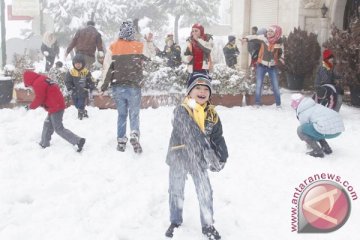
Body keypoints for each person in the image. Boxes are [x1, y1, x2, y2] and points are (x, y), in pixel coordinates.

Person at [165, 73, 228, 240]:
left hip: (199, 159)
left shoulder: (212, 115)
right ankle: (175, 221)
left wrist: (222, 157)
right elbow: (189, 132)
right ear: (189, 92)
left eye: (206, 89)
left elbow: (217, 137)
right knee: (176, 190)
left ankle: (208, 225)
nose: (202, 91)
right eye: (197, 88)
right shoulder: (181, 109)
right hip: (179, 156)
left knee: (205, 192)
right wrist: (207, 149)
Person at [100, 20, 147, 154]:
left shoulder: (114, 46)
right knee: (134, 113)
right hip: (133, 86)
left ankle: (121, 141)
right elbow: (149, 60)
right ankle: (134, 134)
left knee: (121, 114)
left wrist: (103, 87)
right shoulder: (138, 46)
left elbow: (109, 68)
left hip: (118, 86)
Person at [23, 71, 86, 152]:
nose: (31, 87)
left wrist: (30, 106)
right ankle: (44, 143)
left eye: (29, 85)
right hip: (55, 105)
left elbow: (39, 98)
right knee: (47, 124)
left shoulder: (38, 83)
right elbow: (47, 94)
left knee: (59, 129)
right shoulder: (43, 78)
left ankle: (78, 141)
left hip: (56, 107)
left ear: (28, 80)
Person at [291, 93, 345, 158]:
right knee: (317, 126)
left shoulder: (303, 112)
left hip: (329, 130)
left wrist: (309, 144)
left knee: (300, 130)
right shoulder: (314, 105)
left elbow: (305, 131)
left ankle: (317, 151)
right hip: (338, 129)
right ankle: (326, 147)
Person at [243, 25, 283, 107]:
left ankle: (278, 104)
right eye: (268, 31)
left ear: (276, 33)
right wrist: (246, 39)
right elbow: (254, 37)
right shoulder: (263, 39)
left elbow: (281, 54)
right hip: (261, 65)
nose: (269, 33)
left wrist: (278, 60)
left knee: (275, 85)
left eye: (271, 31)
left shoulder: (278, 43)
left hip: (272, 67)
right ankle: (257, 103)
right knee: (259, 84)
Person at [65, 54, 95, 120]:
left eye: (79, 64)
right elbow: (67, 81)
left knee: (81, 103)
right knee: (76, 104)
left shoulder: (86, 72)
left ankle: (80, 113)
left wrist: (91, 86)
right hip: (74, 91)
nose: (78, 65)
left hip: (83, 91)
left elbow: (90, 80)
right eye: (76, 64)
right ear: (73, 64)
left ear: (83, 64)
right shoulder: (71, 72)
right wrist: (69, 87)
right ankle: (83, 111)